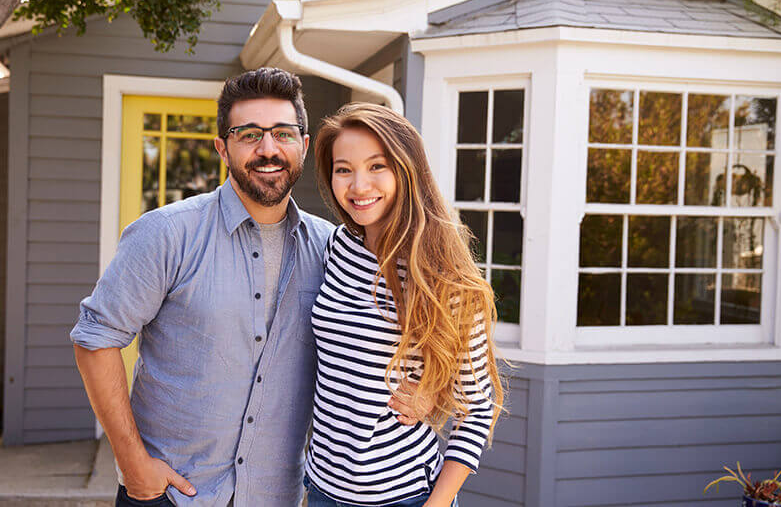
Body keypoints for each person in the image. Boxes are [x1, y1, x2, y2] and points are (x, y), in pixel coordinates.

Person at [70, 69, 423, 507]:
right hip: (172, 495)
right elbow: (95, 339)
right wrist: (131, 462)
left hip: (278, 496)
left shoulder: (334, 250)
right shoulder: (165, 235)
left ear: (305, 145)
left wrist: (429, 392)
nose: (268, 149)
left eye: (282, 133)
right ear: (223, 147)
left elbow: (397, 339)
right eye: (249, 134)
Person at [305, 103, 505, 507]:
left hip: (404, 496)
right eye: (344, 169)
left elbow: (477, 407)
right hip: (322, 489)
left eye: (376, 166)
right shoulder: (337, 247)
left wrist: (436, 504)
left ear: (406, 169)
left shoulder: (444, 275)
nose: (359, 186)